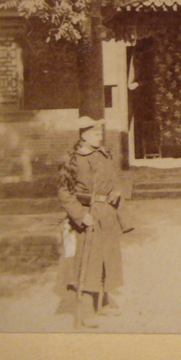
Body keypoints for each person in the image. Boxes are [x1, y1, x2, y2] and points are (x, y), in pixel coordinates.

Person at [58, 117, 129, 328]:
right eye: (96, 133)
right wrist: (80, 215)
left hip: (106, 215)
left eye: (101, 133)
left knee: (108, 258)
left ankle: (104, 302)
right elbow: (64, 193)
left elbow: (114, 180)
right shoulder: (73, 160)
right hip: (88, 216)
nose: (100, 136)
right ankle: (86, 310)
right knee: (89, 262)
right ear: (84, 136)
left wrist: (116, 192)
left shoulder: (104, 154)